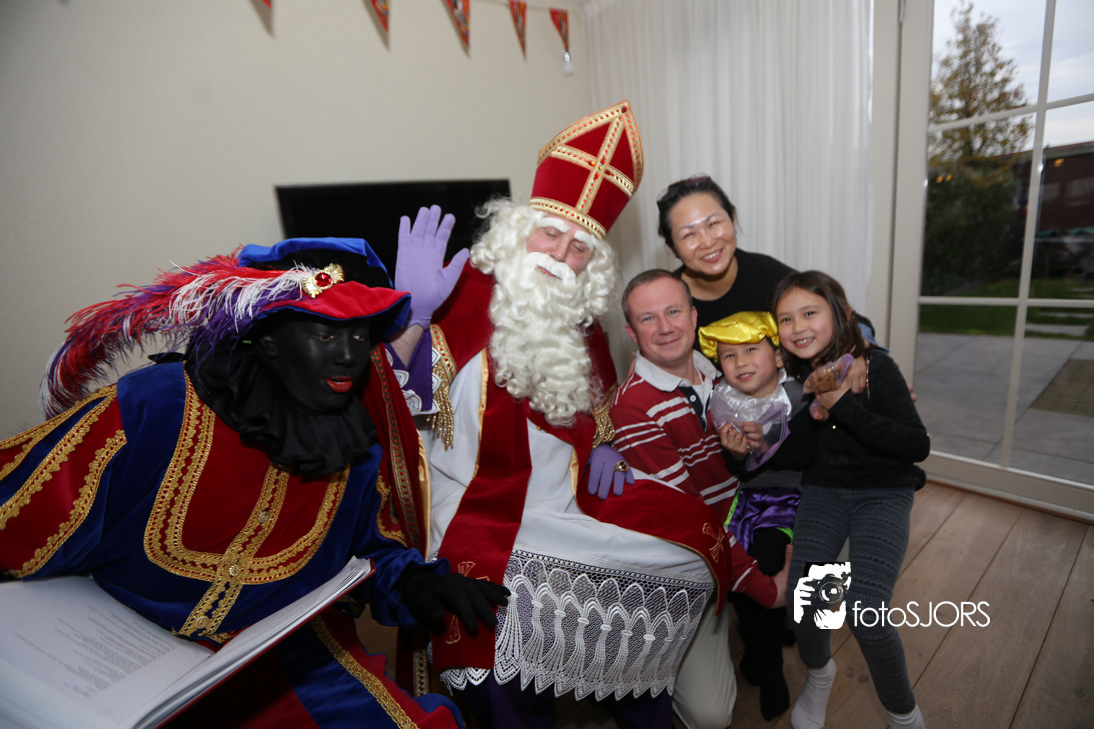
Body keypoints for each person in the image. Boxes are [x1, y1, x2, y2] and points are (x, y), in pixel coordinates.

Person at [0, 236, 508, 728]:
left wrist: (416, 583)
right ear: (268, 339)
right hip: (111, 654)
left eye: (359, 336)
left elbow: (371, 553)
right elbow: (21, 506)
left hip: (282, 665)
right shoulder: (152, 406)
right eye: (325, 335)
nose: (349, 357)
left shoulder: (353, 440)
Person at [388, 102, 729, 729]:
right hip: (472, 505)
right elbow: (403, 410)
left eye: (579, 247)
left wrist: (606, 445)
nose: (559, 253)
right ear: (521, 228)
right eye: (550, 233)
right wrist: (410, 321)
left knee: (684, 545)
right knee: (495, 654)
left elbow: (599, 409)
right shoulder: (456, 296)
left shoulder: (582, 319)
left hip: (563, 502)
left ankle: (627, 686)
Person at [610, 270, 793, 729]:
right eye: (648, 318)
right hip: (693, 557)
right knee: (712, 716)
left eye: (673, 311)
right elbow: (691, 518)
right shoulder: (634, 407)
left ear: (693, 317)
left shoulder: (724, 367)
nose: (665, 327)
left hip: (743, 526)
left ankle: (758, 625)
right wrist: (766, 590)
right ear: (631, 332)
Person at [771, 270, 929, 729]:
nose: (798, 326)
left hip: (884, 492)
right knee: (804, 600)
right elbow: (799, 453)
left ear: (842, 315)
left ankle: (904, 716)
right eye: (785, 318)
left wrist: (843, 404)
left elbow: (916, 444)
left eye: (809, 312)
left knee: (866, 610)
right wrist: (763, 440)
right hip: (824, 491)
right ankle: (820, 674)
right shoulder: (793, 379)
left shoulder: (874, 366)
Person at [697, 310, 816, 721]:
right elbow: (737, 473)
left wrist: (765, 445)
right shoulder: (723, 402)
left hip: (795, 497)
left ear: (779, 357)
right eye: (729, 356)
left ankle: (770, 665)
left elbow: (810, 456)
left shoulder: (799, 397)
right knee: (732, 565)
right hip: (744, 497)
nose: (741, 362)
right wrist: (735, 455)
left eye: (751, 350)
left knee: (768, 559)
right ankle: (761, 648)